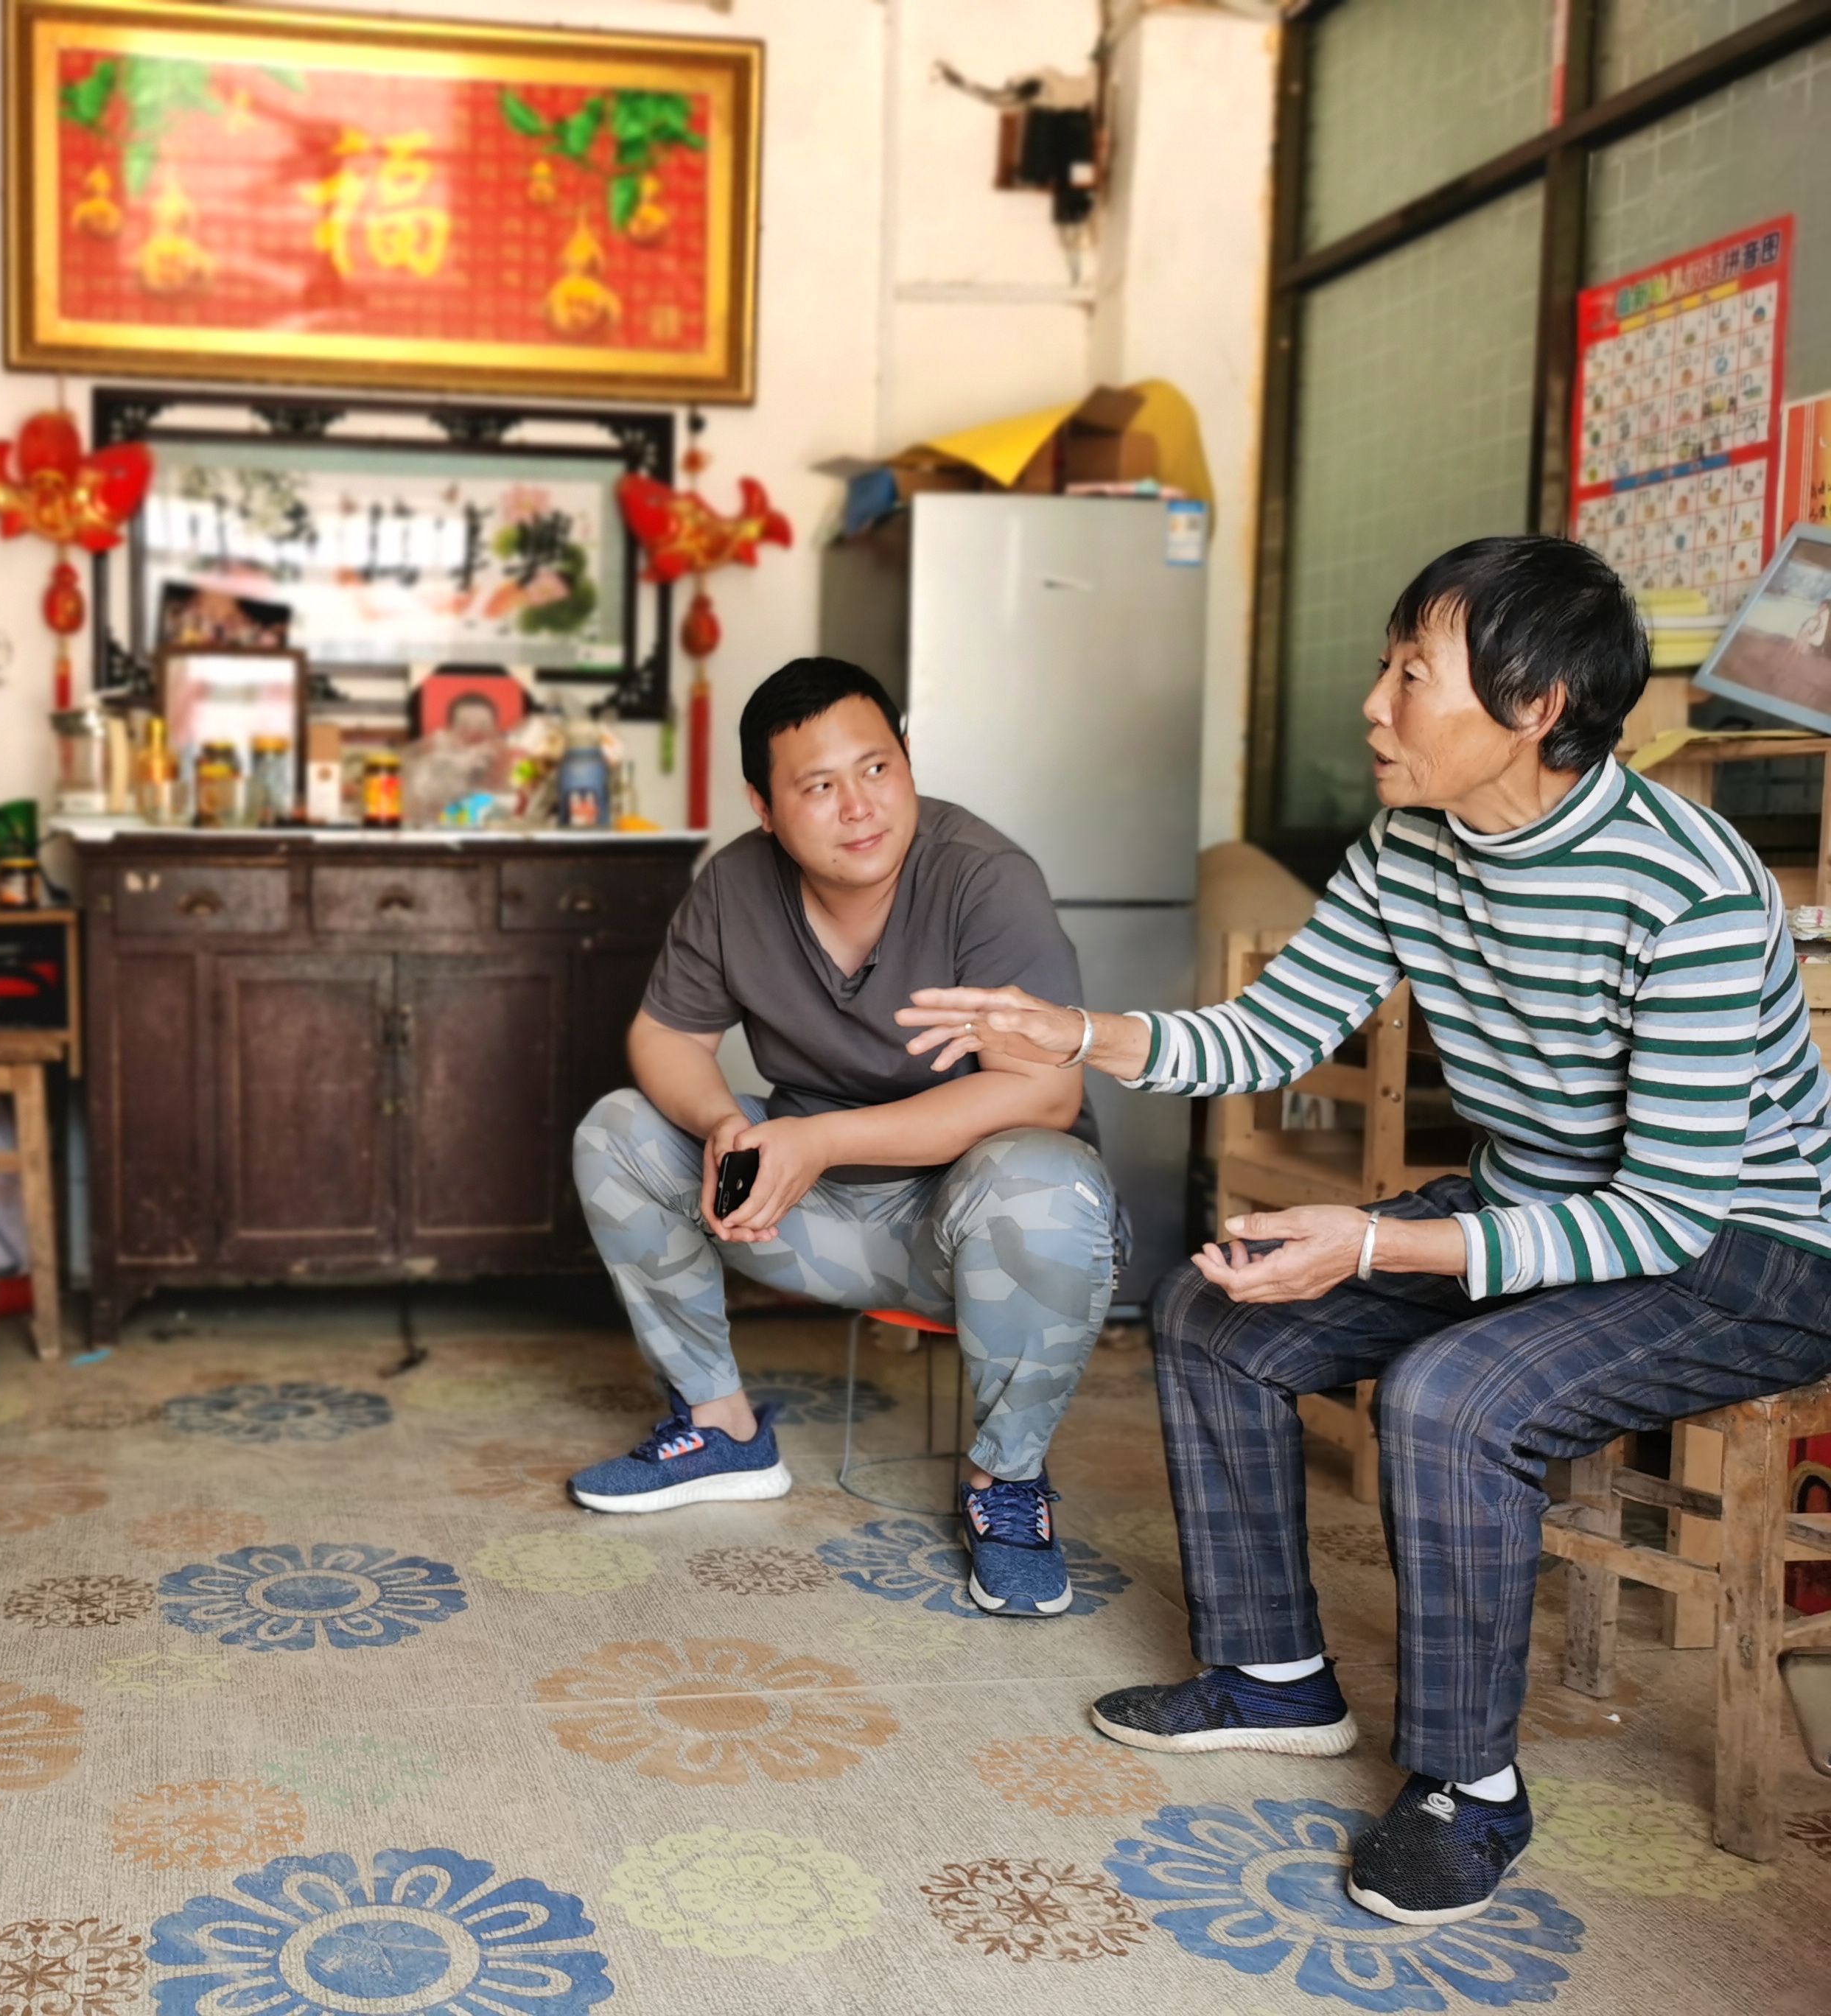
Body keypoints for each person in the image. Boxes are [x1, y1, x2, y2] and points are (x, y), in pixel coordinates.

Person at [903, 533, 1831, 1925]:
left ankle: (1471, 1788)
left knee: (1450, 1396)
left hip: (1747, 1254)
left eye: (1412, 675)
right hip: (1538, 1205)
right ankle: (1273, 1673)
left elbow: (1667, 1209)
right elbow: (1269, 1032)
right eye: (1385, 667)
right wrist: (1074, 1032)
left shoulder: (1685, 886)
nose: (1374, 706)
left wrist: (1381, 1243)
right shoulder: (1410, 846)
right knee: (1215, 1310)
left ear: (1535, 706)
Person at [569, 656, 1121, 1618]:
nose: (859, 807)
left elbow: (1043, 1093)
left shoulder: (983, 879)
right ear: (764, 806)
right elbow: (665, 1037)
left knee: (1046, 1178)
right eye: (819, 786)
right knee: (617, 1129)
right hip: (808, 1218)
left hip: (980, 1242)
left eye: (876, 768)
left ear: (907, 759)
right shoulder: (733, 886)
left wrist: (819, 1139)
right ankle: (721, 1428)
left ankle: (1007, 1485)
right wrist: (724, 1123)